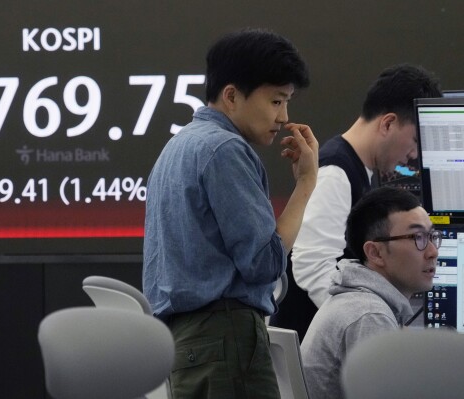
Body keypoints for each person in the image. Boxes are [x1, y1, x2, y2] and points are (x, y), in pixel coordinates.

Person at [142, 28, 318, 399]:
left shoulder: (178, 147)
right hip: (227, 341)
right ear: (232, 95)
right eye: (276, 101)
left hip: (187, 346)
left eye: (287, 102)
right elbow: (265, 264)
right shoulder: (225, 150)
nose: (285, 117)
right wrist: (305, 185)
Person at [270, 64, 442, 339]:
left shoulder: (358, 170)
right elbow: (311, 264)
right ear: (388, 123)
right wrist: (367, 324)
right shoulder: (336, 171)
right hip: (314, 354)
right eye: (414, 142)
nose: (413, 155)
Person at [300, 186, 441, 399]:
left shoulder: (357, 301)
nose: (433, 251)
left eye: (432, 236)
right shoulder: (370, 316)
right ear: (375, 253)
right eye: (418, 238)